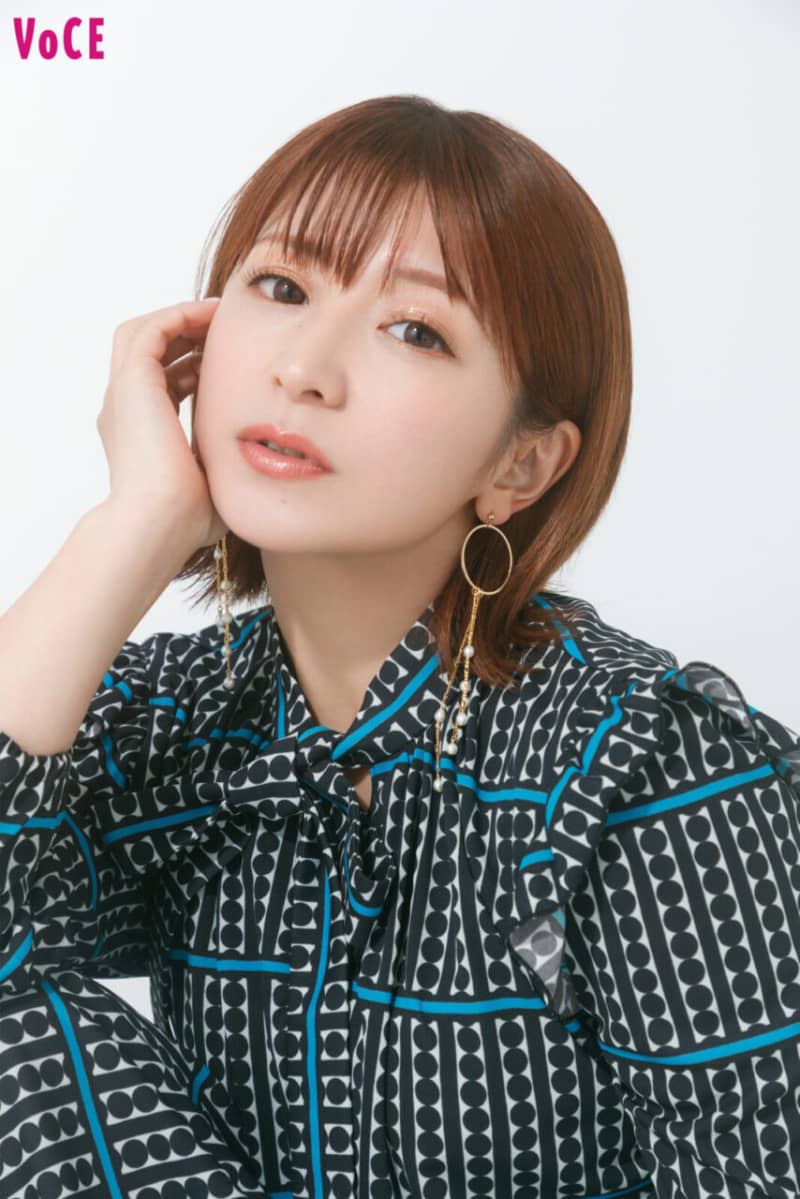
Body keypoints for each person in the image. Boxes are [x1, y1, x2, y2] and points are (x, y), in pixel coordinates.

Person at [0, 94, 798, 1199]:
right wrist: (131, 523)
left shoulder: (653, 767)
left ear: (520, 464)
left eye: (415, 330)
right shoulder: (185, 715)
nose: (305, 368)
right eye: (283, 288)